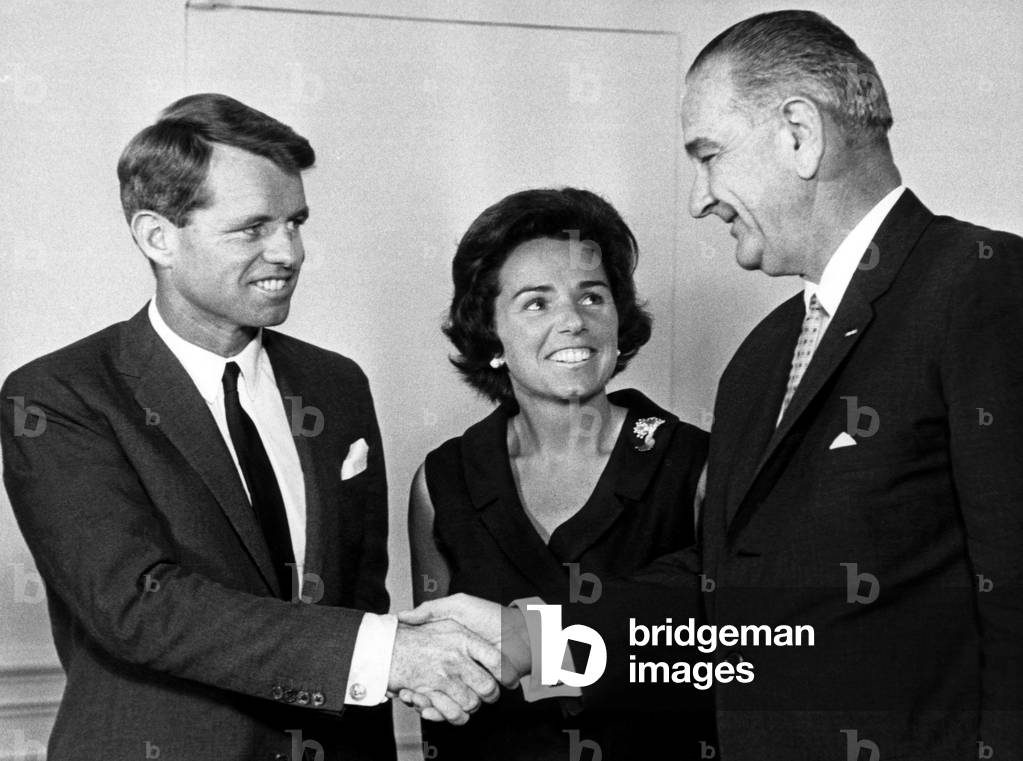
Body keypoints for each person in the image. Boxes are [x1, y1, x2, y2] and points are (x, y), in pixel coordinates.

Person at [400, 11, 1023, 760]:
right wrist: (531, 639)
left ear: (798, 132)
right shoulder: (763, 358)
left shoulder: (982, 285)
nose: (700, 198)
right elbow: (721, 592)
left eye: (709, 154)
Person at [1, 93, 505, 761]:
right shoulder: (58, 395)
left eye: (295, 222)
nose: (289, 251)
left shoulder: (337, 385)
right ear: (158, 237)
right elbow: (138, 605)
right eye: (254, 228)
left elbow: (357, 598)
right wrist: (391, 652)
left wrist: (399, 664)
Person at [406, 187, 712, 759]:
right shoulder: (443, 482)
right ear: (489, 332)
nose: (573, 321)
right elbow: (439, 686)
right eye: (536, 303)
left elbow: (732, 650)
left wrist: (541, 645)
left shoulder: (694, 465)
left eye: (592, 297)